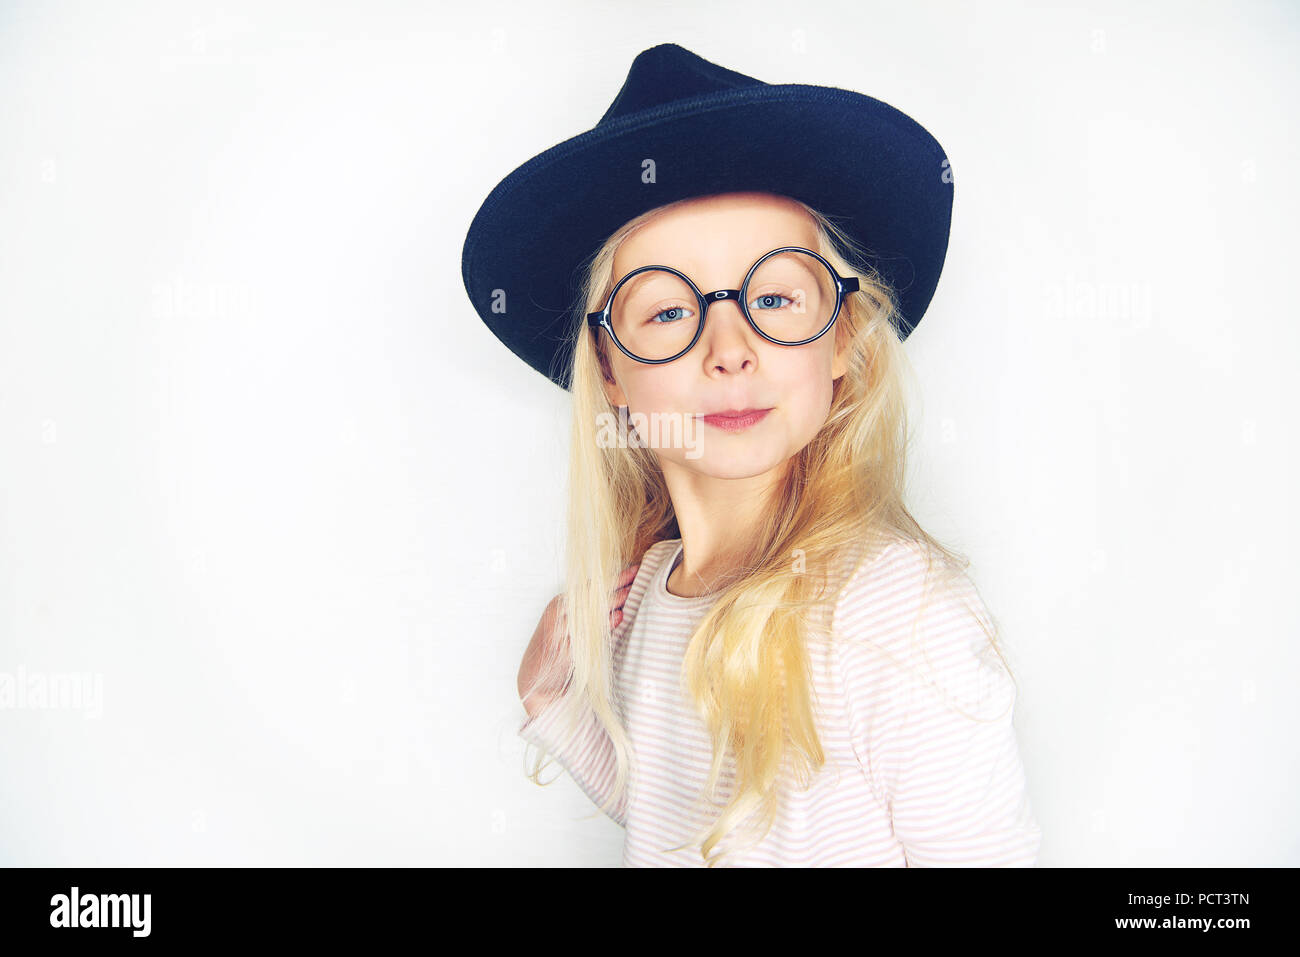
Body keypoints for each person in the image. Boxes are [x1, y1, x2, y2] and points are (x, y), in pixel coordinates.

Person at [462, 43, 1041, 867]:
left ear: (840, 336)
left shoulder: (891, 610)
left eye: (773, 296)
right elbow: (698, 826)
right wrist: (552, 695)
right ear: (609, 372)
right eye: (666, 312)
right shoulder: (654, 596)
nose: (729, 349)